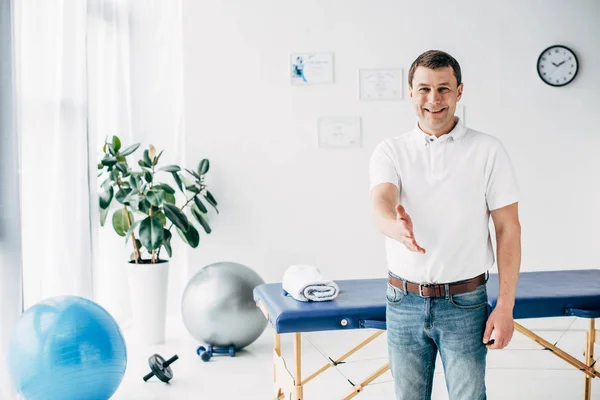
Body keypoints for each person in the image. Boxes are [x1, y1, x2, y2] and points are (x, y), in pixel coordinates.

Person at [369, 50, 521, 400]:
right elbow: (381, 201)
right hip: (402, 300)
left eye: (443, 88)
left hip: (465, 302)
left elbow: (508, 230)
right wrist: (395, 226)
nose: (433, 99)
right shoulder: (390, 151)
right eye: (424, 89)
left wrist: (505, 306)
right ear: (411, 93)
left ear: (459, 91)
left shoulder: (488, 150)